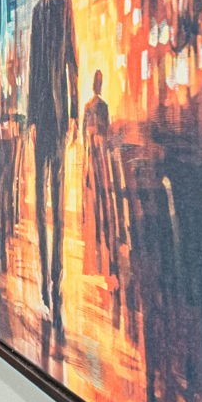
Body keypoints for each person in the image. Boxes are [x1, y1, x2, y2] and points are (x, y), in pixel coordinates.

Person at [25, 0, 78, 328]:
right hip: (40, 118)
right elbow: (31, 72)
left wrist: (74, 112)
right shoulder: (36, 13)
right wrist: (28, 119)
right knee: (40, 206)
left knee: (57, 206)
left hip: (59, 117)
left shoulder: (65, 4)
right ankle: (43, 282)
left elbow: (73, 59)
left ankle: (56, 282)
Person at [81, 69, 128, 328]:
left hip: (95, 158)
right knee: (100, 203)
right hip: (96, 158)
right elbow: (102, 132)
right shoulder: (97, 107)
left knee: (99, 202)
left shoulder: (93, 106)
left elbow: (93, 132)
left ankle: (101, 251)